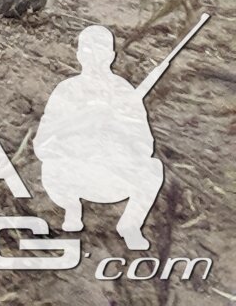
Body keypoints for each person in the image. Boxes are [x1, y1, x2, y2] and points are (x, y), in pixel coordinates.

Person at [33, 24, 168, 250]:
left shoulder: (123, 91)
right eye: (87, 51)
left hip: (111, 175)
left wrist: (119, 126)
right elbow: (42, 145)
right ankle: (72, 209)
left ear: (111, 56)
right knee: (51, 166)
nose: (94, 58)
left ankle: (130, 225)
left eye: (101, 51)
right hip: (72, 175)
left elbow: (144, 145)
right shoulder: (66, 90)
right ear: (78, 55)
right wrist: (82, 120)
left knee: (153, 168)